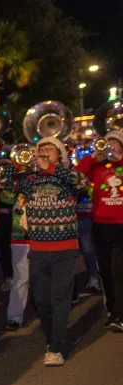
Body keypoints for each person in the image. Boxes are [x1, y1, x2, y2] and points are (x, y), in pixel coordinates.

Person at [0, 137, 87, 366]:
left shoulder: (68, 175)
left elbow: (82, 182)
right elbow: (2, 180)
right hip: (38, 249)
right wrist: (19, 162)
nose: (45, 152)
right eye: (41, 149)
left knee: (60, 298)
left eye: (50, 149)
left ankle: (55, 347)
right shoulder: (29, 180)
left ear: (60, 154)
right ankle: (52, 338)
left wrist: (52, 168)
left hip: (66, 249)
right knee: (41, 299)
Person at [76, 130, 123, 331]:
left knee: (118, 269)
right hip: (100, 223)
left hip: (121, 223)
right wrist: (95, 155)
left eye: (115, 142)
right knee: (105, 270)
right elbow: (78, 174)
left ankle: (120, 314)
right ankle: (112, 312)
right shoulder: (96, 166)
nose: (111, 145)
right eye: (108, 142)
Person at [3, 194, 30, 331]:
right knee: (21, 278)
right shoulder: (13, 190)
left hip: (42, 240)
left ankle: (51, 315)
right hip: (19, 239)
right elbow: (1, 191)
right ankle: (14, 317)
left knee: (44, 279)